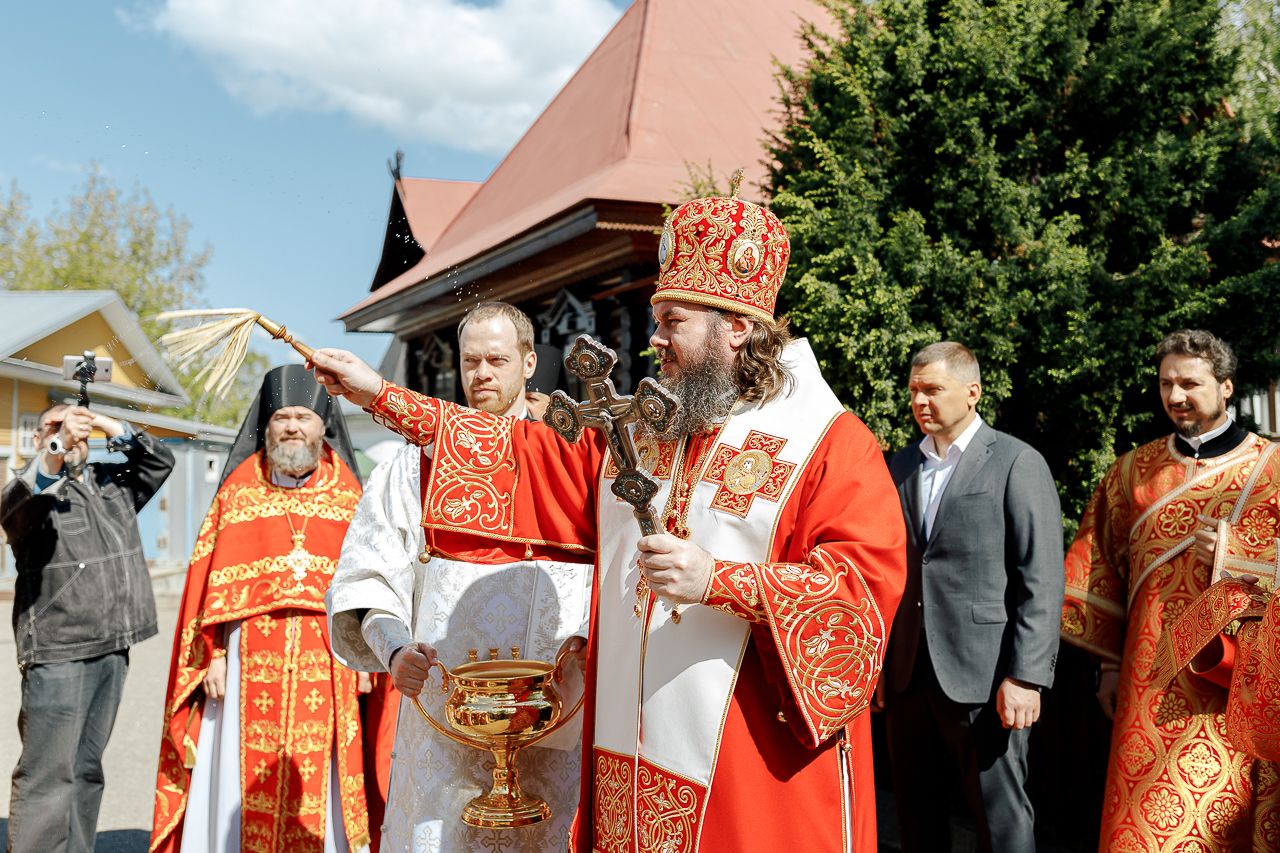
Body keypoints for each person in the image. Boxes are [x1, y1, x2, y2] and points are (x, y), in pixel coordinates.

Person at [312, 186, 907, 853]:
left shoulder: (827, 444)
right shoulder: (647, 435)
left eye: (672, 320)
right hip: (626, 770)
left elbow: (859, 599)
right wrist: (382, 395)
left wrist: (720, 579)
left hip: (744, 775)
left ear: (736, 326)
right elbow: (522, 456)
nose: (655, 339)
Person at [327, 300, 587, 853]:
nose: (482, 374)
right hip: (445, 717)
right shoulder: (411, 464)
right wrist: (395, 651)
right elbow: (367, 575)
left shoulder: (577, 457)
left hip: (557, 716)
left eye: (497, 359)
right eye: (471, 361)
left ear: (530, 362)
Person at [1061, 329, 1280, 850]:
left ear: (1226, 387)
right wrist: (1109, 666)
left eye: (1190, 383)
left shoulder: (1272, 470)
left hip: (1237, 682)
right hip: (1147, 680)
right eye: (1166, 384)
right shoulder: (1131, 472)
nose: (1175, 396)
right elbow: (1100, 569)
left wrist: (1236, 557)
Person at [150, 365, 371, 853]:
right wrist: (214, 655)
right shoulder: (239, 490)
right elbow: (206, 586)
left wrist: (364, 657)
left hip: (328, 657)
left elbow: (368, 584)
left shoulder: (351, 495)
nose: (293, 427)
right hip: (247, 657)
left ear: (323, 425)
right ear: (266, 425)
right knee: (235, 766)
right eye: (282, 417)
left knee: (323, 779)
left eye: (304, 417)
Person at [879, 342, 1064, 852]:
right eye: (914, 390)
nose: (920, 401)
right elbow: (891, 571)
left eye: (934, 389)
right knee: (916, 817)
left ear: (972, 392)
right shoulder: (899, 467)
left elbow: (1042, 577)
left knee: (999, 819)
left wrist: (1026, 676)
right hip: (908, 676)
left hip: (986, 678)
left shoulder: (1015, 461)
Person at [1, 403, 174, 853]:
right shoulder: (32, 490)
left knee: (85, 770)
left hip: (113, 644)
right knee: (47, 775)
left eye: (74, 428)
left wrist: (104, 422)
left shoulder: (110, 482)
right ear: (38, 440)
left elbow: (160, 461)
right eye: (51, 429)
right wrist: (56, 449)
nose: (65, 435)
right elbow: (12, 509)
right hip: (58, 650)